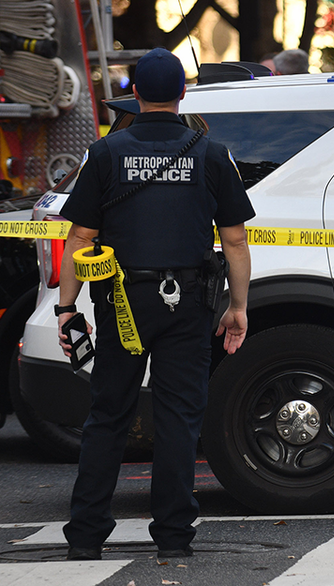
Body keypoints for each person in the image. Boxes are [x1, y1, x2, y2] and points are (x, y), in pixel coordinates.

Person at [56, 48, 254, 564]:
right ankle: (172, 535)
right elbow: (234, 242)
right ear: (183, 94)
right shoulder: (210, 153)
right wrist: (239, 306)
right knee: (178, 417)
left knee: (109, 414)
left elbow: (80, 235)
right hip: (187, 302)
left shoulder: (106, 152)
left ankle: (85, 535)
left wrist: (66, 307)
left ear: (136, 94)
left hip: (122, 299)